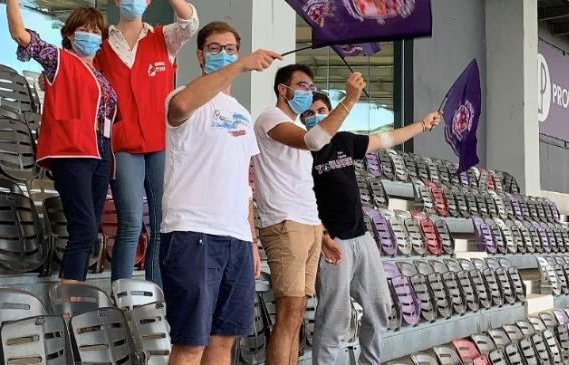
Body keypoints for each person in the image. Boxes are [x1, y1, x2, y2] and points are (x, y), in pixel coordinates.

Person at [161, 21, 280, 365]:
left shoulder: (241, 113)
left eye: (230, 50)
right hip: (192, 232)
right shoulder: (182, 95)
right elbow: (180, 107)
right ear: (200, 55)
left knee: (223, 343)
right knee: (190, 344)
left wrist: (251, 240)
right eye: (215, 49)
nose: (224, 54)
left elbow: (245, 184)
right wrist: (240, 66)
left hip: (236, 239)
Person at [0, 0, 116, 283]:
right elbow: (21, 35)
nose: (90, 35)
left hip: (101, 150)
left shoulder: (101, 75)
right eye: (83, 30)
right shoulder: (59, 59)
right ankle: (70, 298)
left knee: (90, 230)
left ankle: (76, 293)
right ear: (70, 34)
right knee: (83, 228)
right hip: (73, 148)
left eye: (96, 31)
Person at [302, 92, 441, 364]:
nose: (315, 117)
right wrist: (322, 233)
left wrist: (423, 125)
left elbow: (388, 138)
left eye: (321, 110)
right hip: (332, 241)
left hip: (361, 237)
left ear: (331, 113)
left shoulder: (344, 141)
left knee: (380, 306)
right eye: (308, 114)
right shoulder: (302, 150)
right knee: (334, 317)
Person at [253, 64, 365, 365]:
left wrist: (321, 232)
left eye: (311, 86)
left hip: (308, 225)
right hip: (284, 223)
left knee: (297, 313)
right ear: (283, 89)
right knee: (288, 313)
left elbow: (303, 187)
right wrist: (349, 100)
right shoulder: (270, 118)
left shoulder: (299, 129)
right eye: (302, 86)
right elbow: (315, 141)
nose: (308, 91)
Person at [94, 0, 198, 286]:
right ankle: (121, 297)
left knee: (161, 223)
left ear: (149, 0)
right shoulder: (102, 44)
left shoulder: (163, 38)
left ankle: (156, 296)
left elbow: (190, 22)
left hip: (161, 143)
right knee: (130, 223)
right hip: (123, 144)